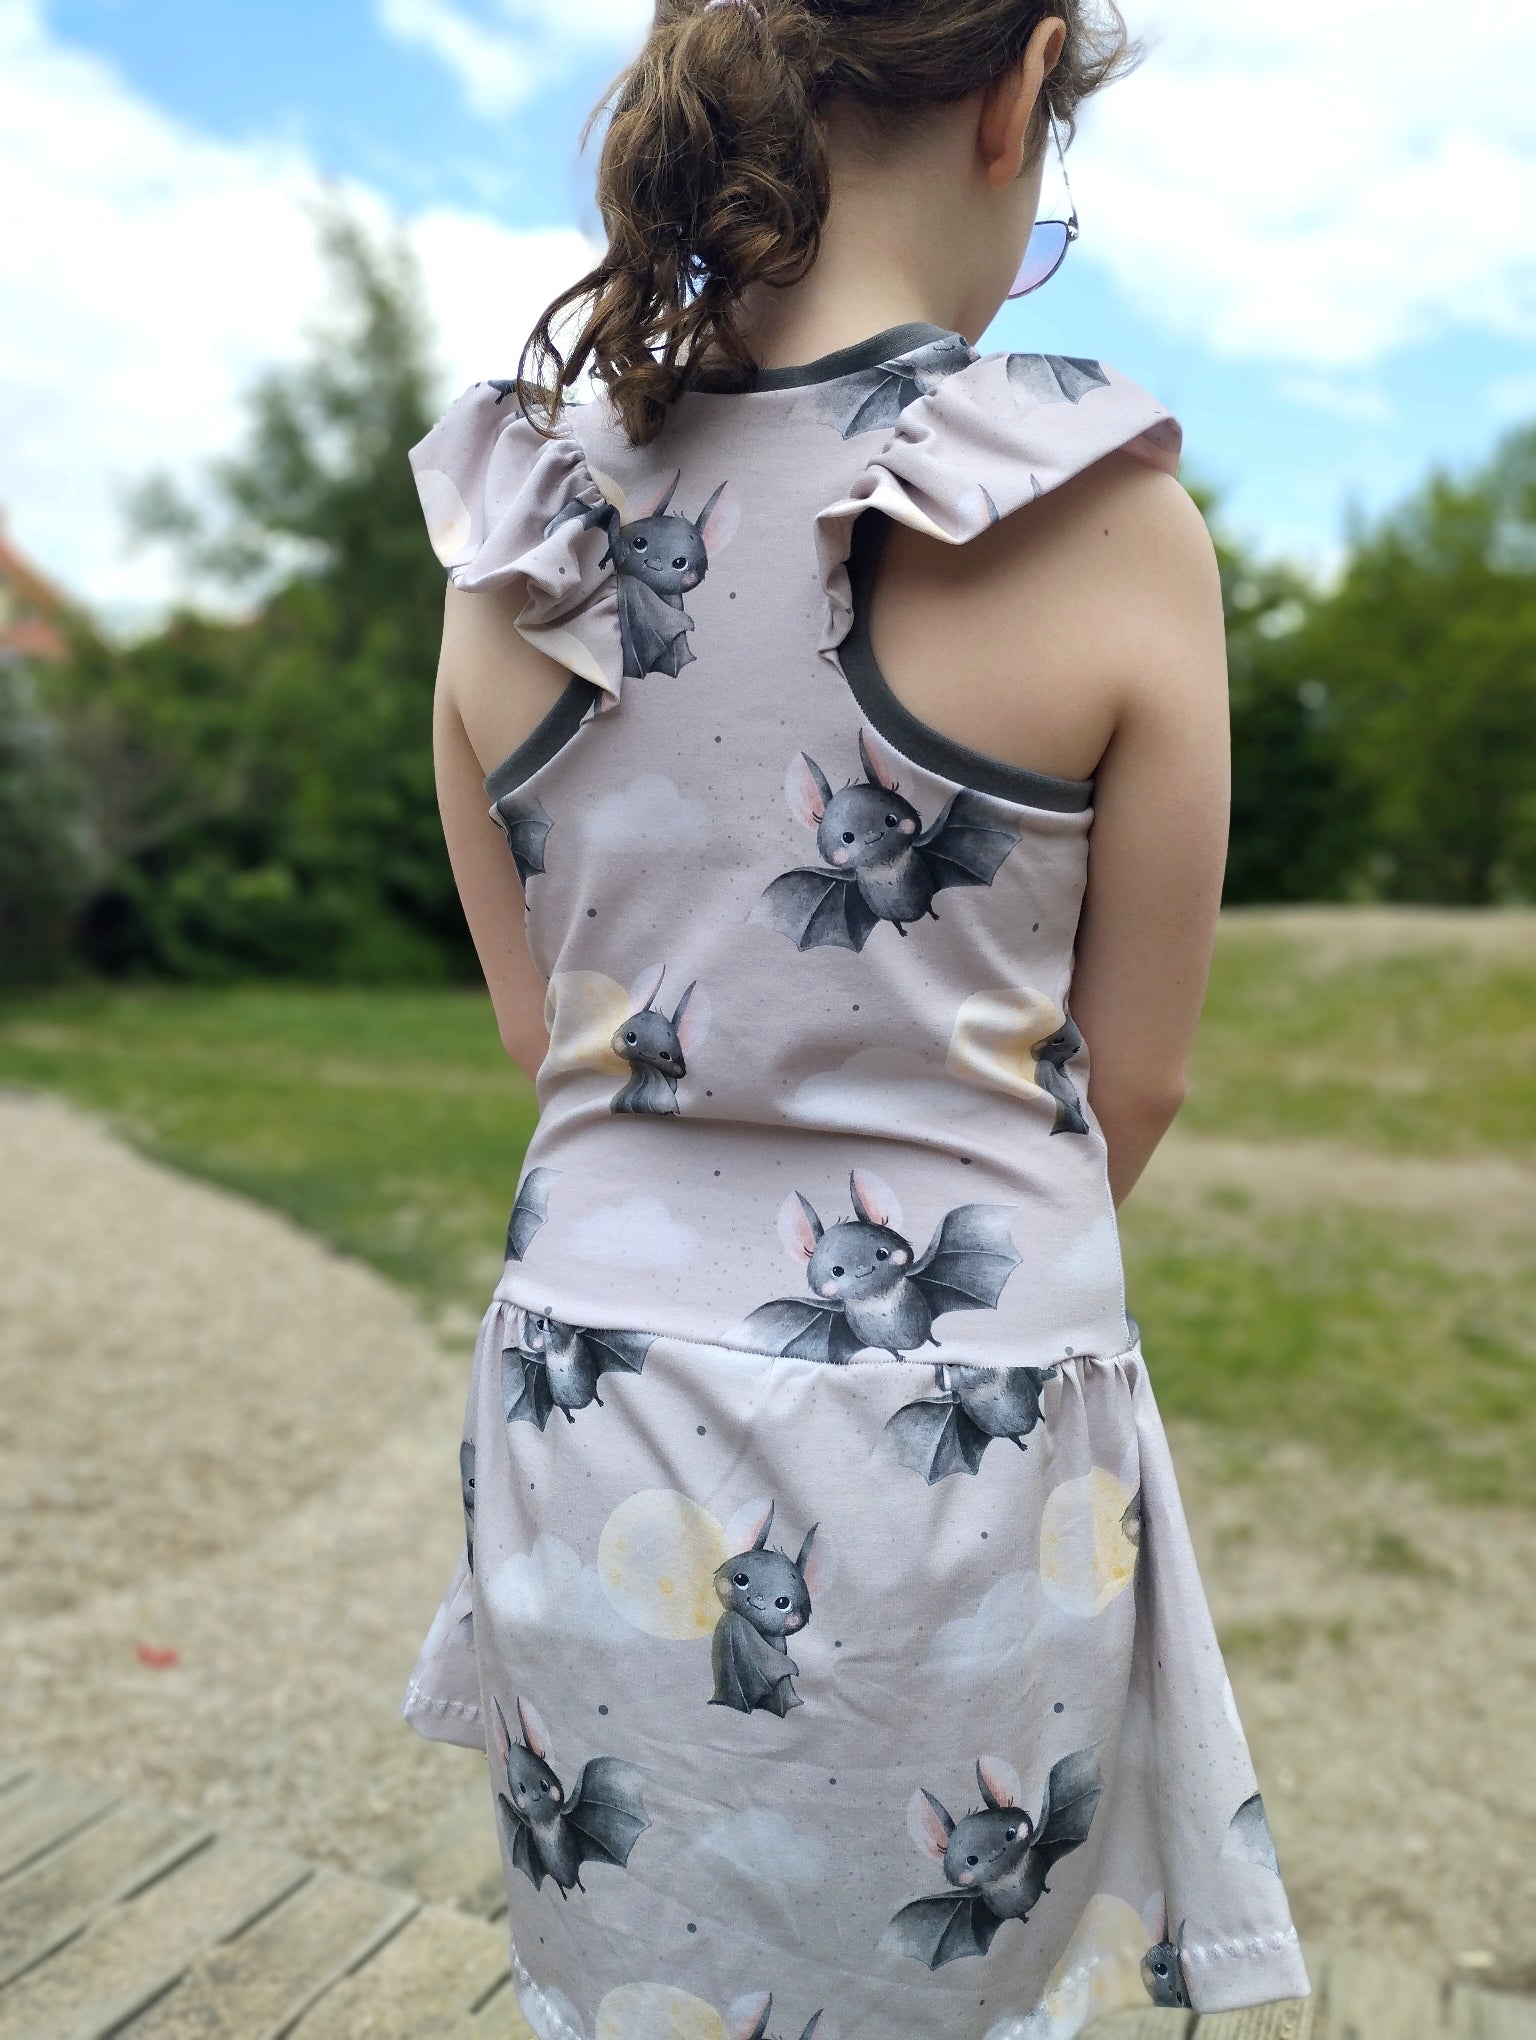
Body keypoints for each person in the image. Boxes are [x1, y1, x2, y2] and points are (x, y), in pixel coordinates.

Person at [402, 3, 1309, 2035]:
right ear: (1019, 90)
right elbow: (1136, 1079)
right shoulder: (1100, 519)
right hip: (954, 1459)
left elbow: (550, 1045)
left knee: (631, 1983)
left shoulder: (516, 534)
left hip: (584, 1417)